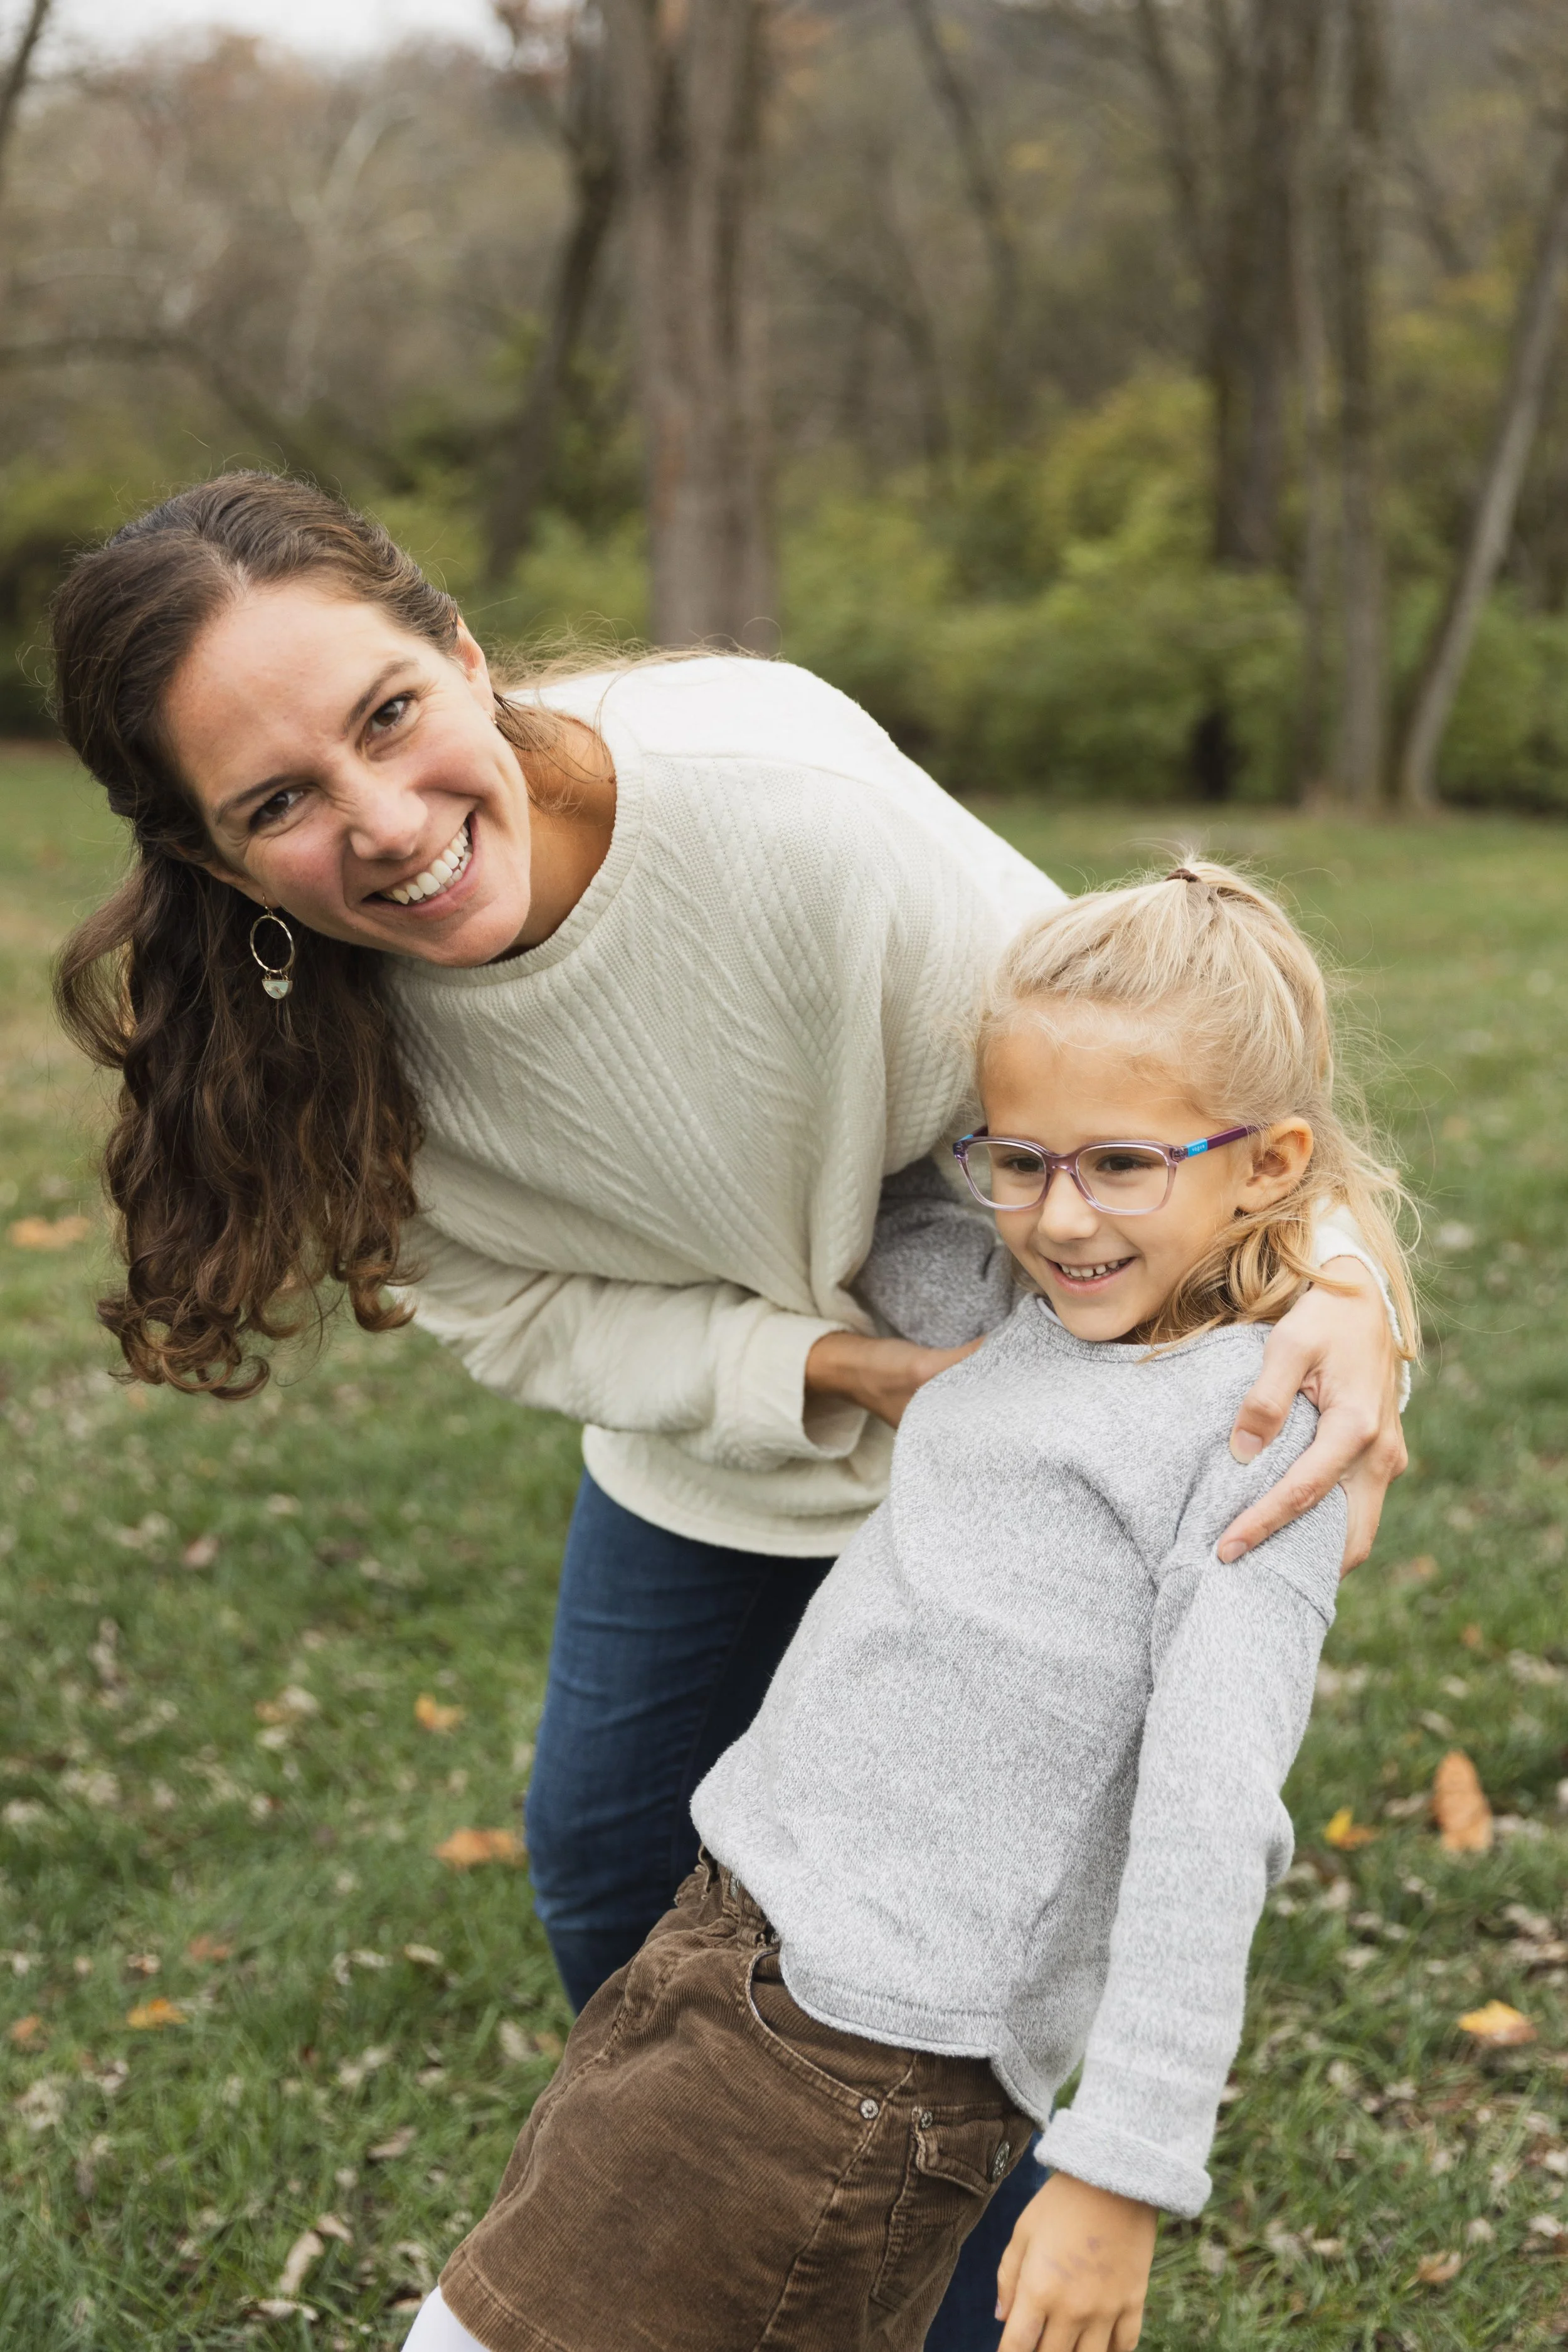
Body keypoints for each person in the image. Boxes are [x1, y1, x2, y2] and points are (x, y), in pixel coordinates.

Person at [50, 475, 1407, 2351]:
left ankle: (960, 2230)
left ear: (462, 653)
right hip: (743, 1405)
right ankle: (769, 2196)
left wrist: (1343, 1285)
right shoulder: (297, 1038)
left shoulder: (787, 811)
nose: (382, 824)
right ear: (209, 860)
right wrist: (815, 1371)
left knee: (947, 1950)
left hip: (1013, 1358)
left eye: (387, 717)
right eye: (275, 803)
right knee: (620, 1851)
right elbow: (496, 1301)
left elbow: (1131, 1066)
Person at [403, 859, 1419, 2352]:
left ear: (1266, 1165)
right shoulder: (1021, 1309)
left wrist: (1120, 2168)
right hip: (724, 1949)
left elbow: (1214, 1819)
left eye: (1121, 1164)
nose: (1058, 1216)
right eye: (1015, 1160)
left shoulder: (1257, 1436)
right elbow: (789, 1185)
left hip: (857, 2060)